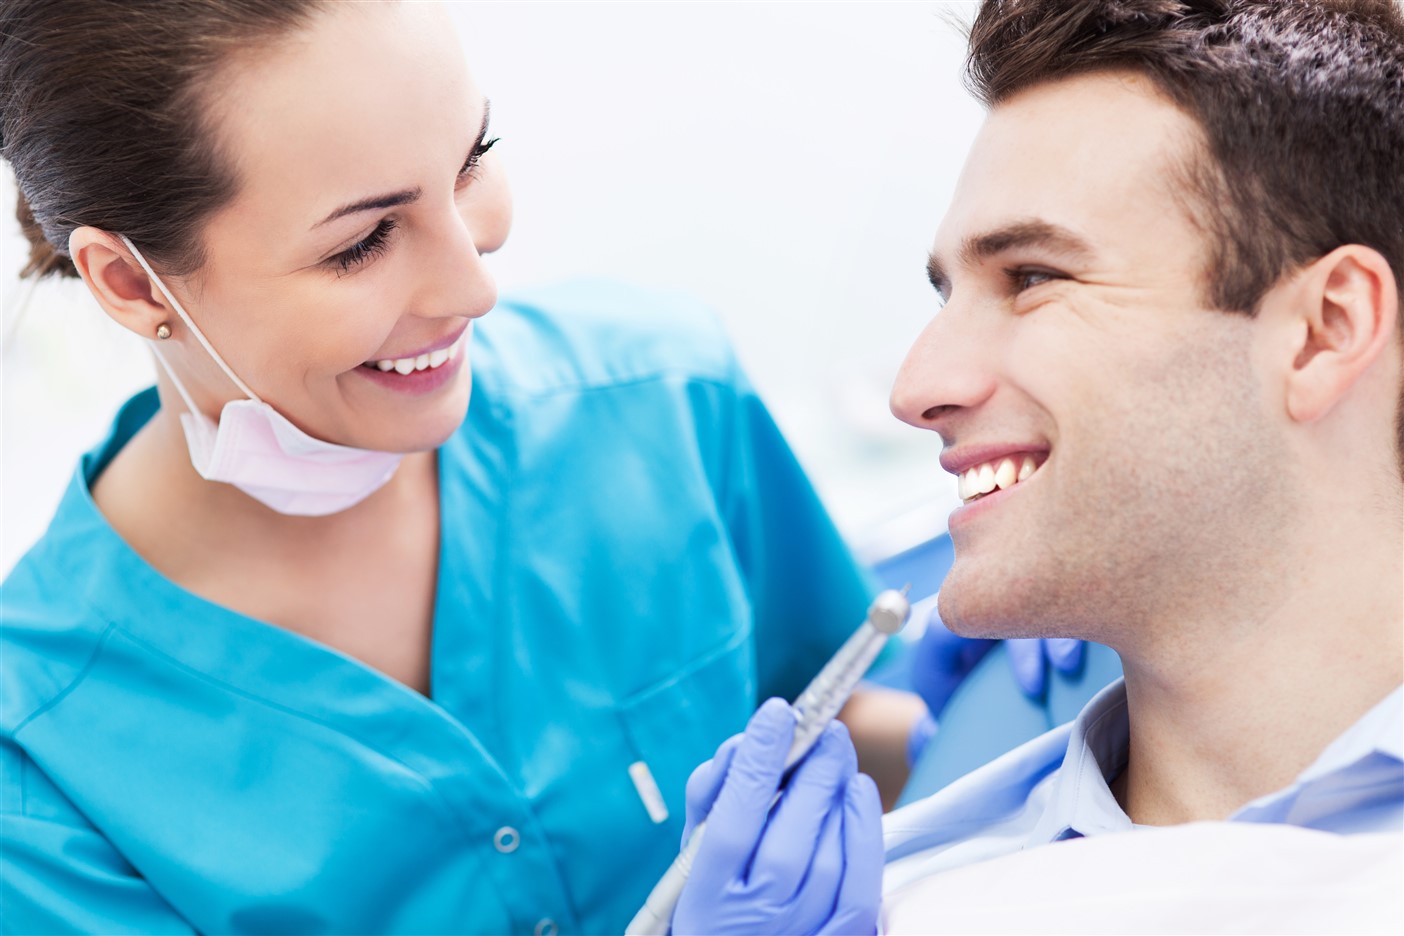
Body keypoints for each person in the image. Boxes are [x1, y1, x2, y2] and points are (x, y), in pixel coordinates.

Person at [0, 2, 947, 932]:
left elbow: (828, 732)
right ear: (128, 282)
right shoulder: (43, 771)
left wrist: (1048, 701)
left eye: (472, 161)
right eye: (361, 242)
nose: (475, 287)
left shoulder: (662, 397)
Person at [672, 0, 1404, 932]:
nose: (915, 388)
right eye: (947, 294)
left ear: (1322, 332)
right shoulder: (898, 899)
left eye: (1031, 278)